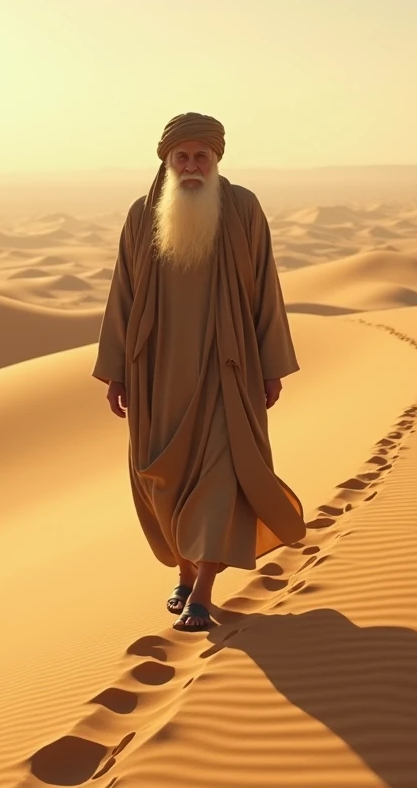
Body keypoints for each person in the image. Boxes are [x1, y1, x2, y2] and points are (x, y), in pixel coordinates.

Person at [92, 112, 305, 631]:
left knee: (219, 477)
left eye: (200, 157)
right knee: (161, 478)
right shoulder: (143, 214)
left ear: (216, 160)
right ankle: (186, 573)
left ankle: (203, 594)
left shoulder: (242, 209)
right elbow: (123, 295)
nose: (191, 166)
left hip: (226, 373)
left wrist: (271, 366)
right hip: (156, 375)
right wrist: (116, 371)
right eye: (181, 157)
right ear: (166, 161)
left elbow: (264, 289)